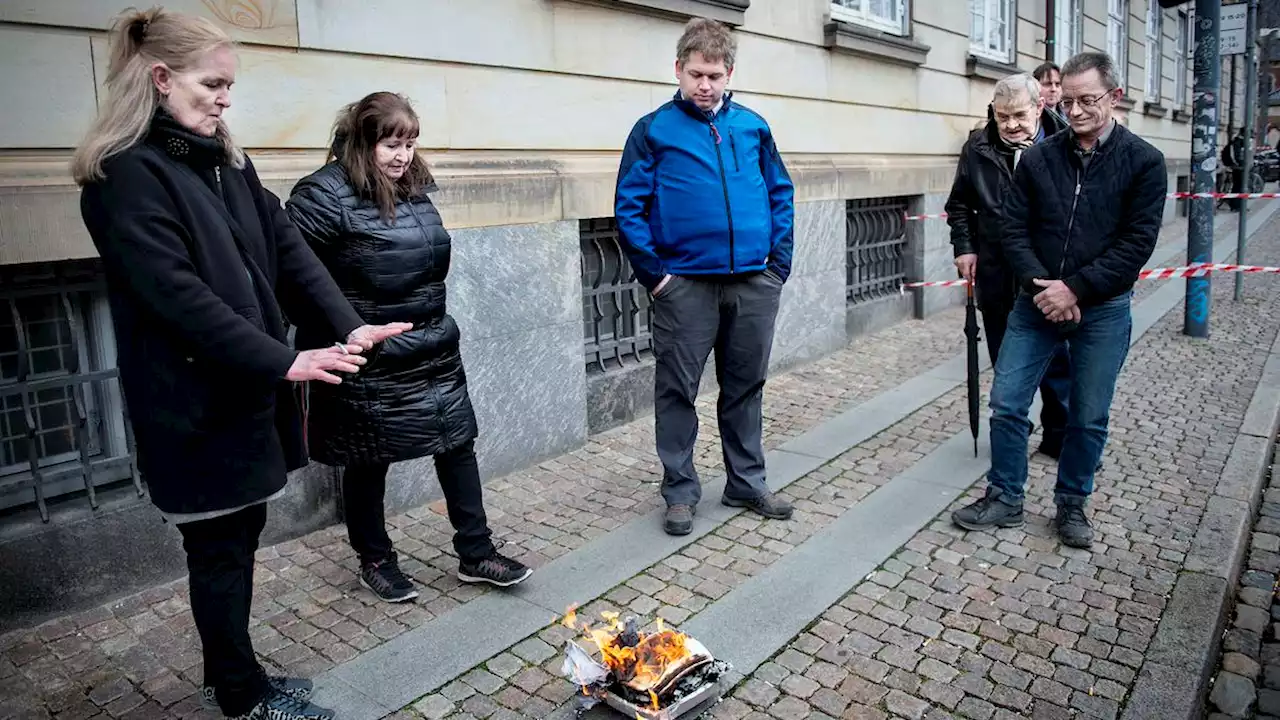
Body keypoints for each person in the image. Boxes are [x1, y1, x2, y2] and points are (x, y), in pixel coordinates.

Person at [74, 9, 411, 720]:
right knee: (220, 548)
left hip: (247, 390)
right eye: (213, 84)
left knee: (238, 537)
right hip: (194, 403)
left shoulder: (224, 160)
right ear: (161, 79)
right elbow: (179, 299)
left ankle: (236, 671)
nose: (226, 98)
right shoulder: (124, 176)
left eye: (230, 85)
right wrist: (285, 361)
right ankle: (242, 696)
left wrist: (348, 325)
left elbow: (288, 248)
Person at [286, 92, 532, 600]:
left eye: (410, 143)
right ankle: (374, 559)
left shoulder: (413, 188)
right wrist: (344, 332)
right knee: (368, 459)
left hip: (430, 343)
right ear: (363, 141)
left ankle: (476, 553)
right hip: (368, 349)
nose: (402, 156)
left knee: (456, 444)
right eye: (390, 144)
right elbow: (293, 275)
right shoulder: (323, 194)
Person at [951, 52, 1166, 549]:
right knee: (1006, 402)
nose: (1074, 111)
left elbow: (1135, 245)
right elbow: (1012, 227)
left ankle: (1072, 504)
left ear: (1114, 97)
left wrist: (1076, 289)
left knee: (1087, 415)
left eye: (1087, 100)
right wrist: (1040, 286)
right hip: (1035, 301)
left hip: (1102, 309)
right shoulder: (1042, 156)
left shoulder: (1144, 163)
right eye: (1066, 101)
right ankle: (1005, 495)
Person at [614, 17, 795, 536]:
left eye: (714, 75)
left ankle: (745, 481)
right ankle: (679, 490)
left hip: (753, 281)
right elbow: (629, 208)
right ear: (678, 69)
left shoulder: (753, 126)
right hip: (685, 285)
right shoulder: (653, 130)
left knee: (746, 386)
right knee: (677, 389)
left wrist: (777, 265)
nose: (704, 85)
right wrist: (658, 277)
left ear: (729, 73)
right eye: (695, 74)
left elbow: (780, 192)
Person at [945, 73, 1072, 459]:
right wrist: (965, 247)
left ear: (1039, 107)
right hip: (998, 273)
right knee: (1005, 359)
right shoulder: (978, 147)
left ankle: (1059, 433)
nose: (1011, 125)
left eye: (1019, 115)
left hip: (1049, 272)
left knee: (1056, 360)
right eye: (1003, 117)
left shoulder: (1067, 144)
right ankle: (1014, 428)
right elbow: (960, 205)